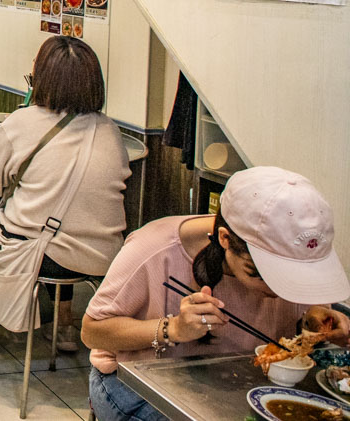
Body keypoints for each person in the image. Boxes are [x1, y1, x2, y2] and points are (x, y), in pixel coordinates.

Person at [81, 166, 350, 421]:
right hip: (135, 387)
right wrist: (172, 328)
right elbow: (93, 331)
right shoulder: (154, 248)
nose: (278, 292)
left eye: (294, 279)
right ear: (224, 239)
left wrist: (310, 324)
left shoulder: (298, 254)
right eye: (263, 276)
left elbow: (299, 330)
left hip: (246, 384)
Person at [0, 36, 130, 362]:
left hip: (43, 254)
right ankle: (65, 326)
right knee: (62, 218)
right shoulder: (110, 130)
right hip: (102, 256)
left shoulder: (24, 121)